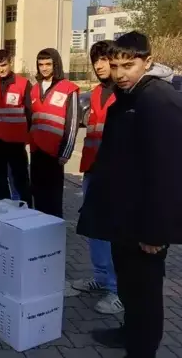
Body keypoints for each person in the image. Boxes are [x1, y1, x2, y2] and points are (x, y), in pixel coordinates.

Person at [77, 31, 182, 358]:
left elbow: (168, 173)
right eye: (115, 64)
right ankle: (129, 332)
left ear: (147, 61)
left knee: (145, 291)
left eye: (129, 65)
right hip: (123, 216)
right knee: (128, 284)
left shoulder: (157, 99)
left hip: (145, 224)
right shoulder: (128, 95)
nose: (121, 73)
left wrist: (155, 232)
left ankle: (142, 349)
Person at [71, 40, 123, 315]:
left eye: (105, 59)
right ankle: (101, 278)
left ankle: (118, 290)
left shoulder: (125, 93)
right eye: (96, 61)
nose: (100, 65)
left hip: (115, 176)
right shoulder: (94, 94)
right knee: (94, 230)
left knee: (115, 233)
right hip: (93, 170)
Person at [29, 48, 79, 218]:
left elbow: (72, 123)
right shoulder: (34, 89)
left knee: (53, 198)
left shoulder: (68, 89)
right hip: (36, 151)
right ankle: (39, 229)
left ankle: (54, 233)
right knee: (37, 193)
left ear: (55, 64)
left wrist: (66, 152)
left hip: (55, 153)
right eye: (40, 64)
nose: (44, 68)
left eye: (48, 64)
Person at [0, 49, 32, 204]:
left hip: (15, 143)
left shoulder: (23, 84)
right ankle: (4, 212)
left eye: (4, 65)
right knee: (0, 180)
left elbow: (30, 113)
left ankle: (26, 211)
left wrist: (29, 138)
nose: (1, 69)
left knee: (21, 180)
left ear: (10, 63)